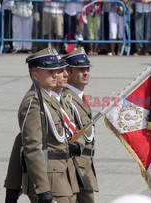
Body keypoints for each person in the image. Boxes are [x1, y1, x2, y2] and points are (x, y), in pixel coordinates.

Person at [4, 47, 80, 203]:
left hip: (63, 175)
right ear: (35, 75)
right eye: (49, 72)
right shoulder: (34, 103)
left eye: (56, 71)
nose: (55, 75)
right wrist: (43, 189)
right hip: (49, 179)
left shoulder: (49, 99)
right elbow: (31, 147)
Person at [62, 47, 99, 203]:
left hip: (84, 165)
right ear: (68, 73)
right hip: (75, 166)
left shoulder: (79, 97)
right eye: (80, 69)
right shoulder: (67, 99)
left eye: (87, 68)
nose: (86, 72)